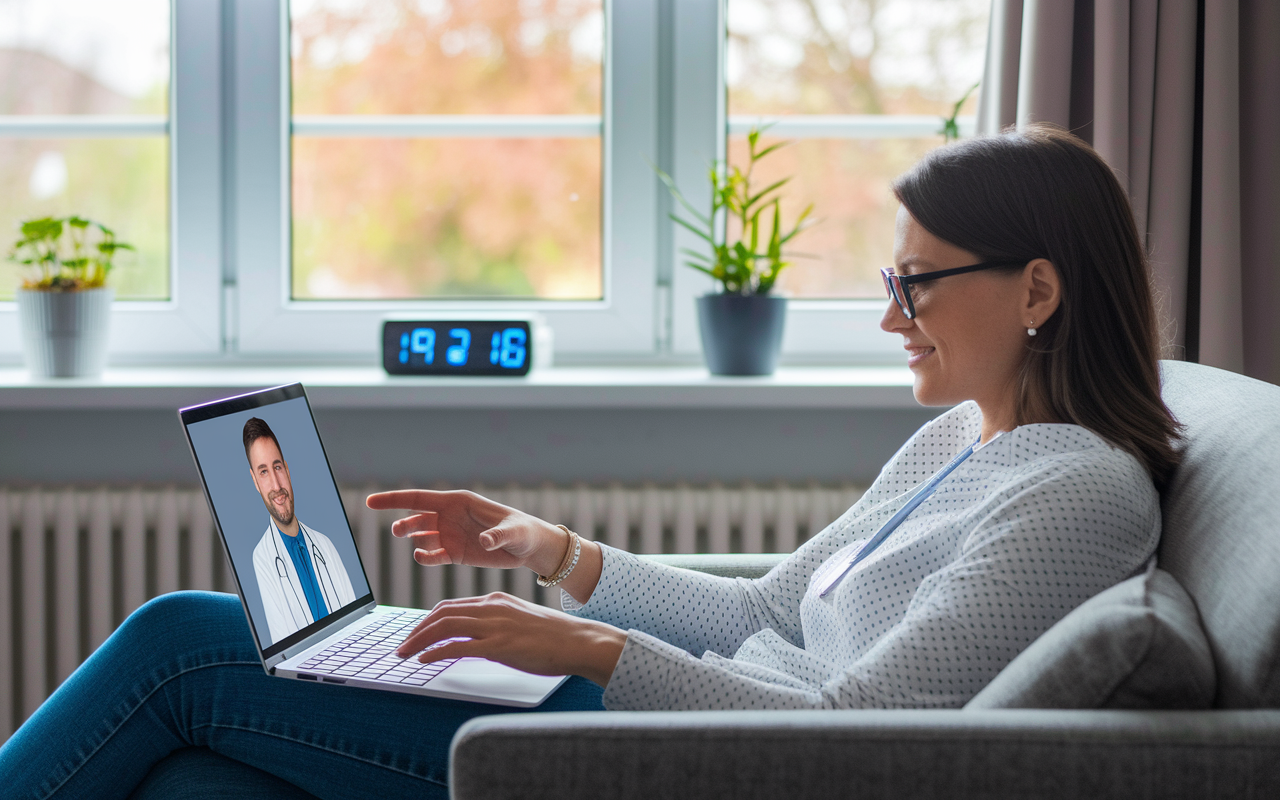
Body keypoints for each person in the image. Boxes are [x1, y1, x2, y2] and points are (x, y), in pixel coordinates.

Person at [0, 125, 1181, 799]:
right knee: (193, 785)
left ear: (1035, 287)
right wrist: (552, 552)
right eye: (891, 282)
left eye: (915, 283)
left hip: (652, 751)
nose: (892, 317)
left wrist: (594, 652)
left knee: (180, 642)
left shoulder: (1077, 489)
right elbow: (773, 609)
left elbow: (858, 725)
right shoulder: (958, 436)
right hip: (632, 707)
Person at [244, 417, 358, 643]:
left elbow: (357, 624)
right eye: (264, 472)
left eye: (277, 467)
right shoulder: (262, 559)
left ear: (286, 469)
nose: (277, 486)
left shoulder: (324, 544)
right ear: (255, 481)